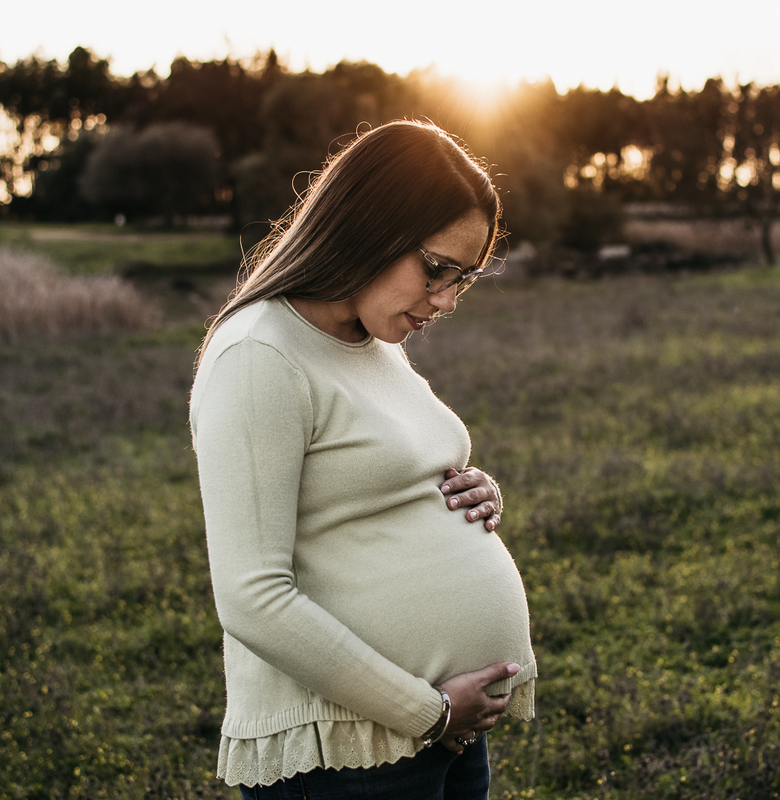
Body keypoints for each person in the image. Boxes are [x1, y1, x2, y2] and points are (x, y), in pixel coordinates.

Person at [190, 120, 536, 799]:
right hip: (351, 753)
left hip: (440, 734)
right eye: (436, 270)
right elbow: (251, 598)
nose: (445, 301)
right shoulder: (259, 355)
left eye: (462, 279)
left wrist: (473, 491)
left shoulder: (368, 338)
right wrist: (427, 712)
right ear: (368, 225)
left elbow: (381, 474)